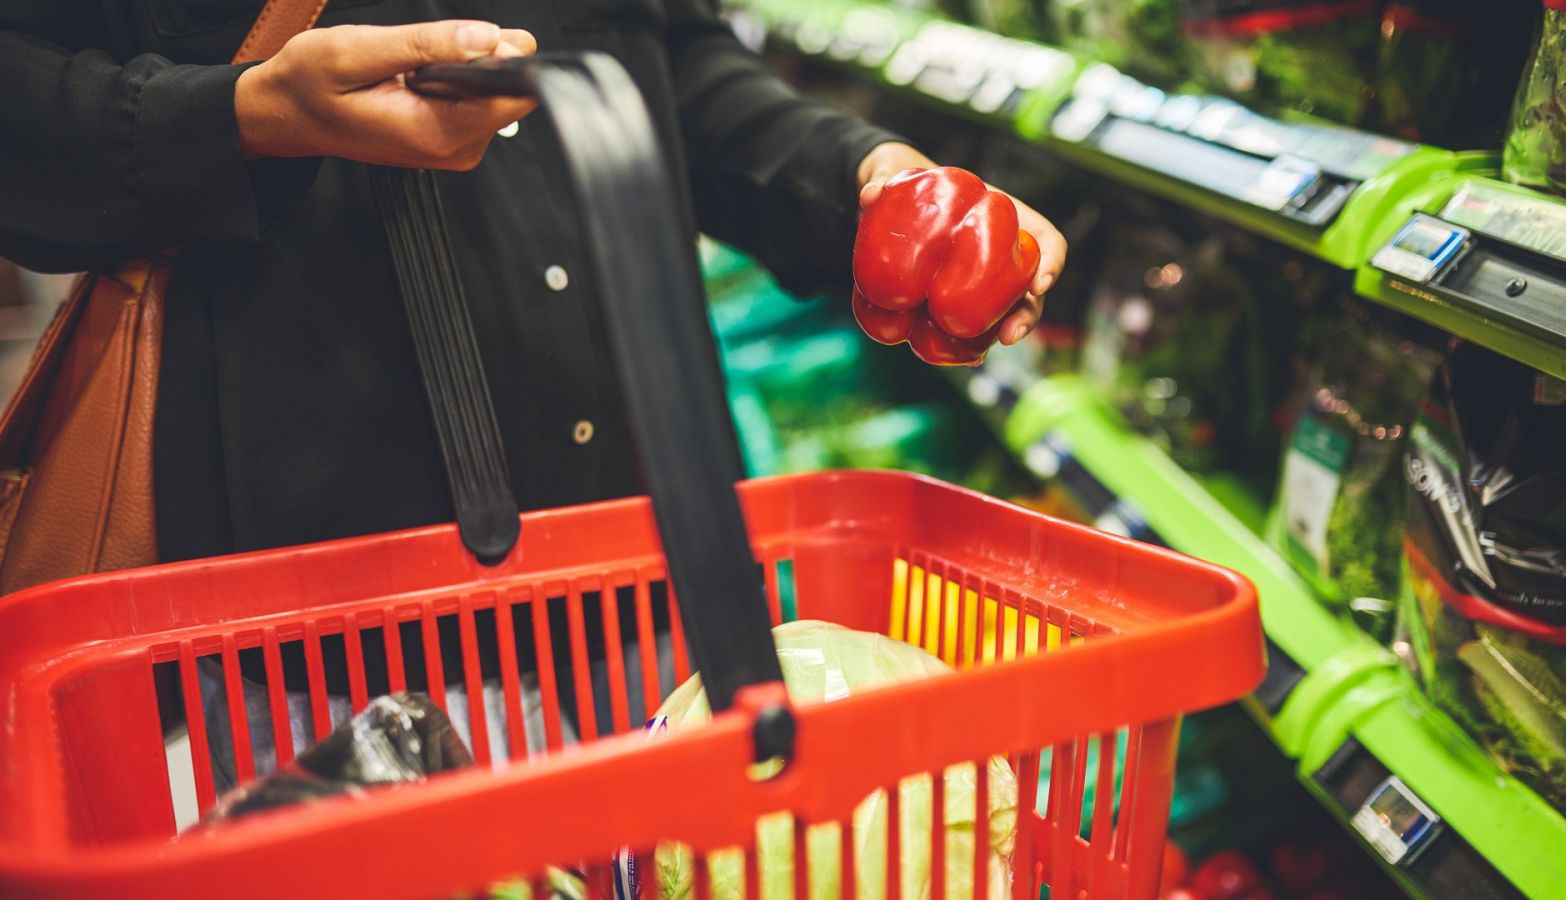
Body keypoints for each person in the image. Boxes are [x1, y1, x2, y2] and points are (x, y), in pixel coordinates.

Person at [0, 1, 1066, 787]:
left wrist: (860, 173)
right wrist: (240, 115)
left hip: (648, 548)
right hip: (318, 598)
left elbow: (661, 49)